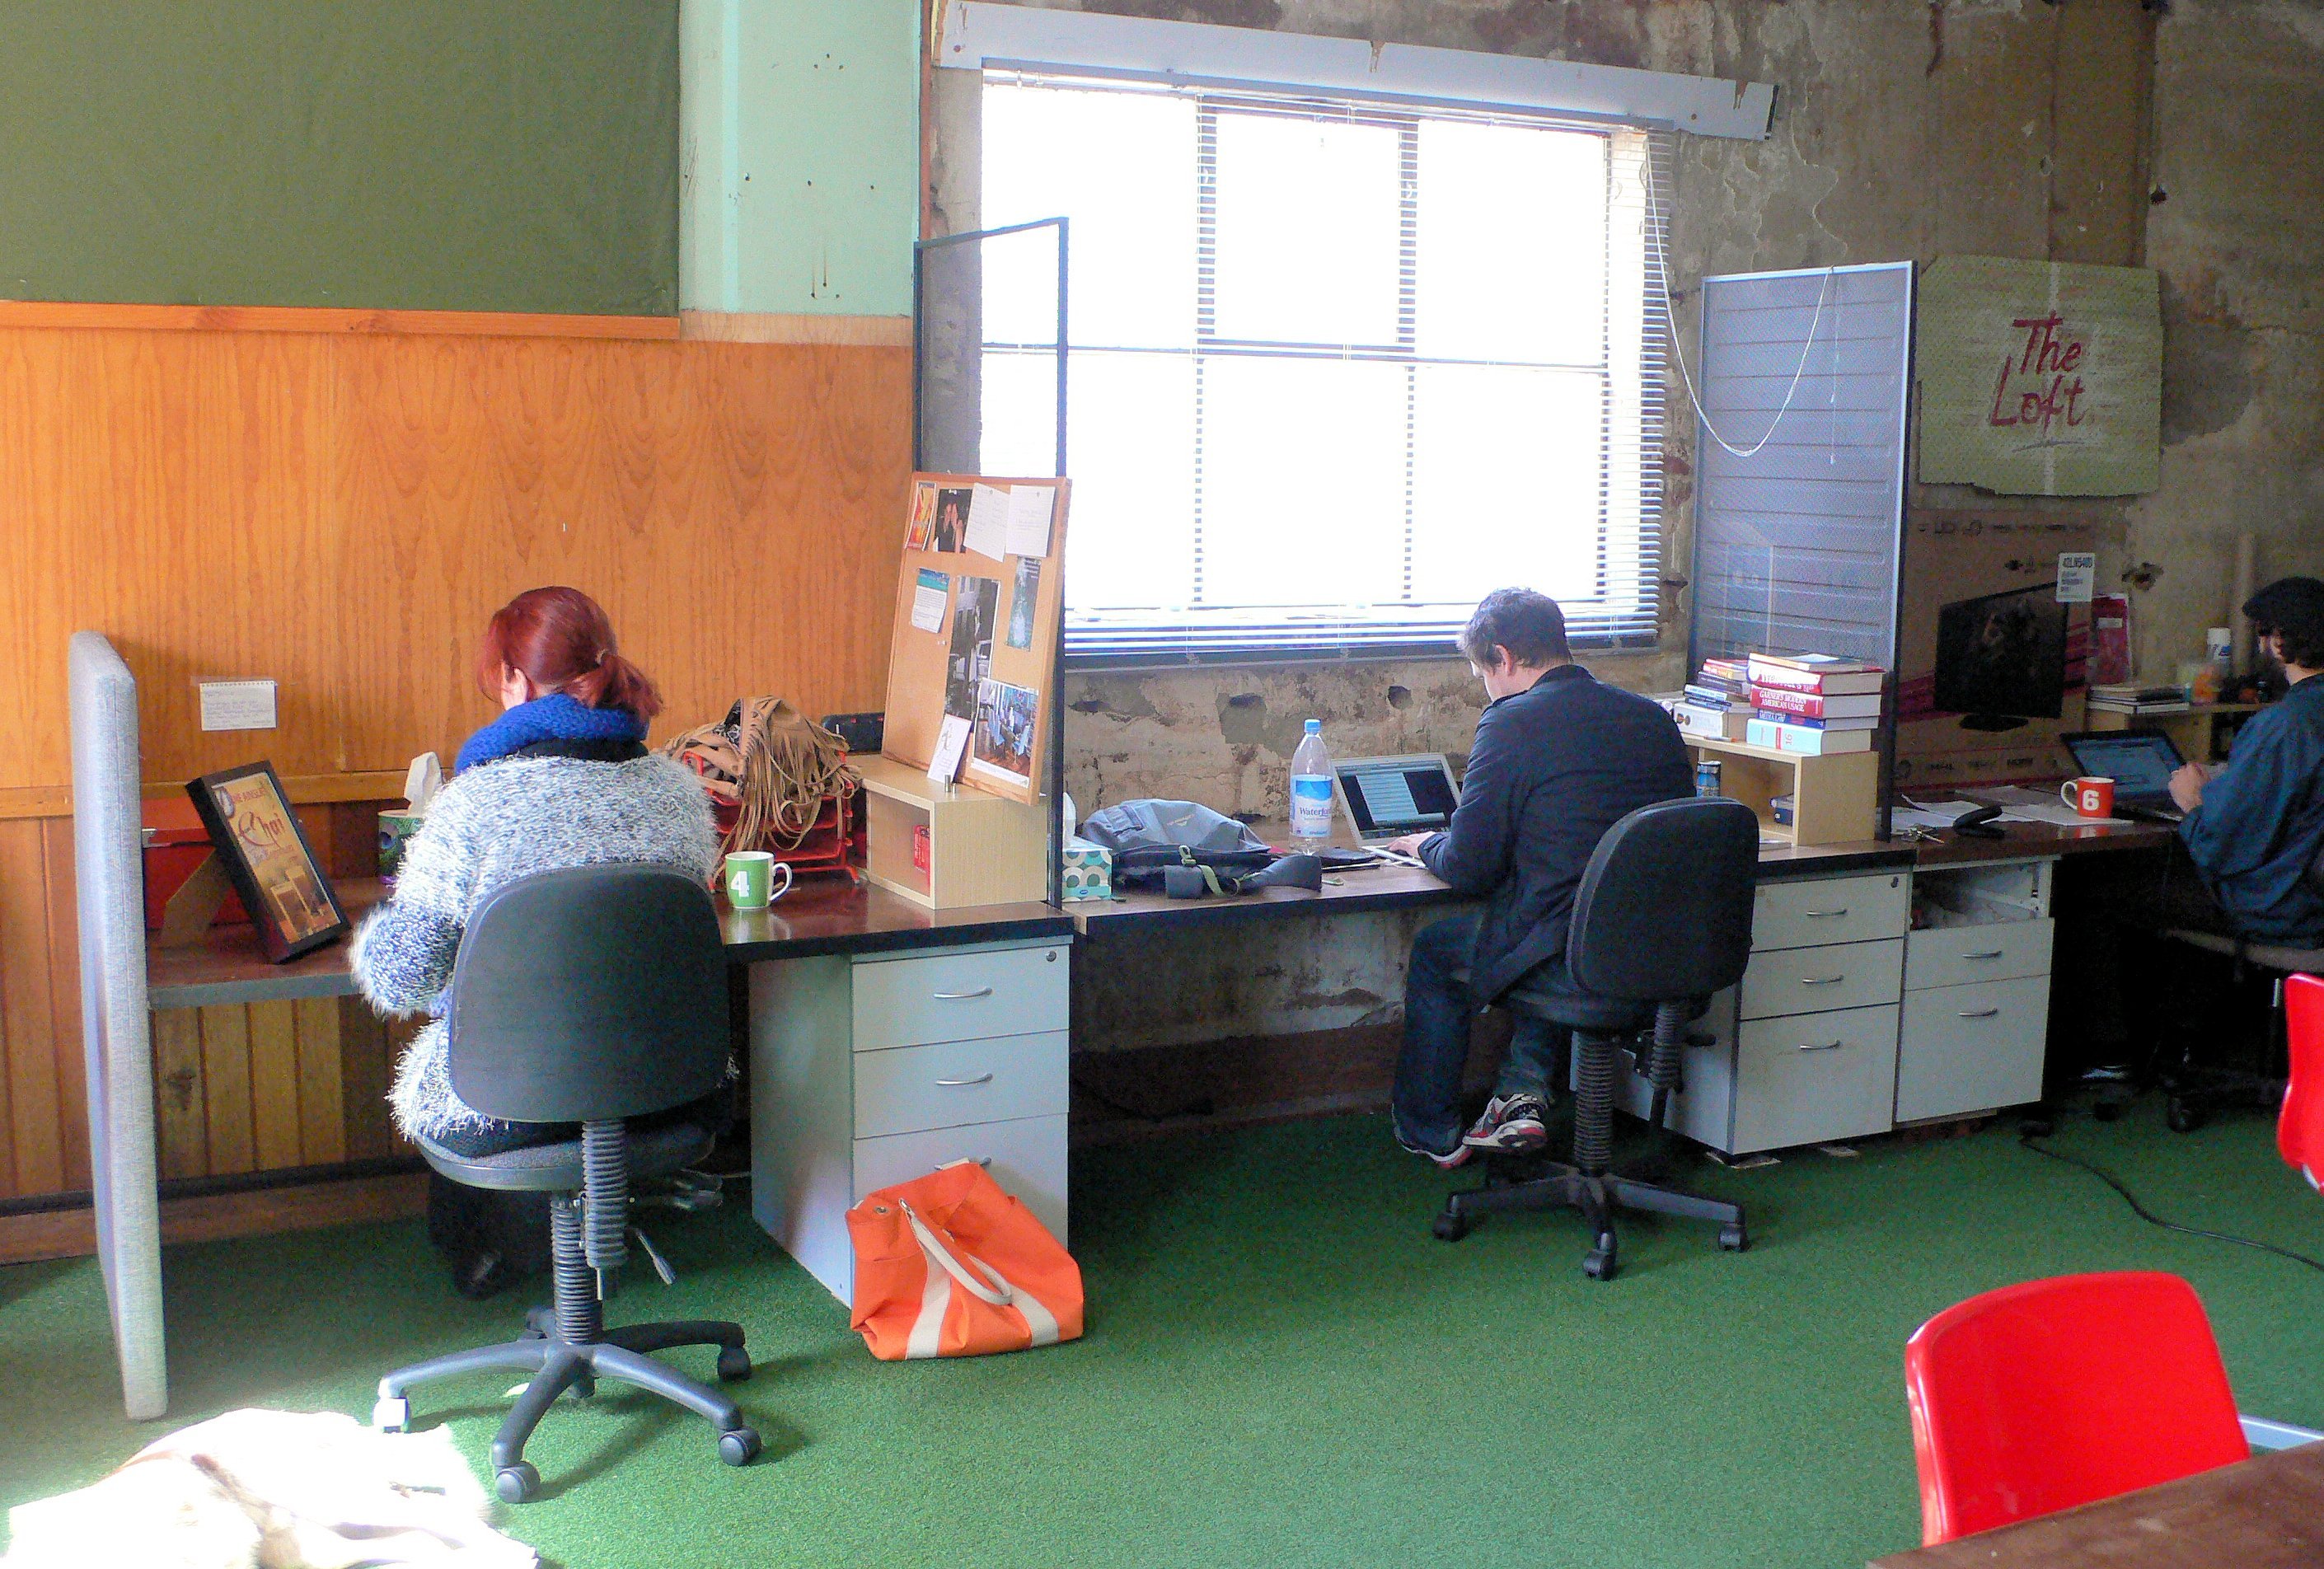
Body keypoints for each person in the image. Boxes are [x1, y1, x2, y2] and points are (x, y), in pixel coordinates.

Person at [352, 586, 721, 1164]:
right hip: (668, 1087)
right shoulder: (677, 791)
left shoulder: (473, 802)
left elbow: (406, 978)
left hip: (500, 1104)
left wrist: (367, 940)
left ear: (515, 681)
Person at [1385, 588, 1694, 1168]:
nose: (1486, 685)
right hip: (1664, 947)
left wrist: (1423, 844)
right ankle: (1518, 1094)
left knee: (1442, 950)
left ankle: (1429, 1129)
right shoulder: (1650, 717)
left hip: (1566, 950)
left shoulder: (1511, 722)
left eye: (1482, 672)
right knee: (1541, 922)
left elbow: (1469, 867)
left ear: (1502, 658)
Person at [2163, 576, 2324, 943]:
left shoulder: (2283, 726)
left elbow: (2221, 848)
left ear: (2278, 641)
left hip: (2281, 911)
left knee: (2112, 884)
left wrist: (2193, 803)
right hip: (2308, 903)